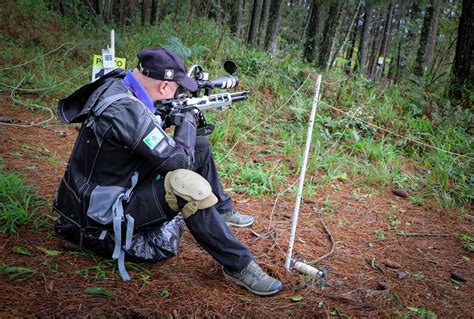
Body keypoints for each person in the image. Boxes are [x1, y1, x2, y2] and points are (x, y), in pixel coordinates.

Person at [53, 47, 283, 296]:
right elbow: (178, 163)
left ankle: (221, 210)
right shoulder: (126, 111)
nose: (177, 93)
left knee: (200, 146)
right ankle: (239, 265)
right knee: (185, 185)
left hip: (104, 186)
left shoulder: (120, 84)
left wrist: (176, 116)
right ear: (163, 87)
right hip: (103, 211)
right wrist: (187, 120)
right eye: (176, 88)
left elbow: (149, 128)